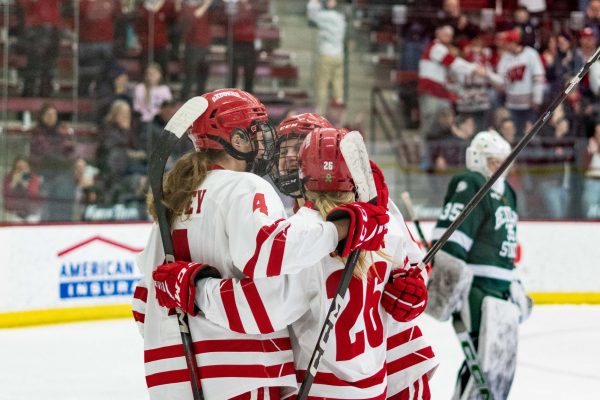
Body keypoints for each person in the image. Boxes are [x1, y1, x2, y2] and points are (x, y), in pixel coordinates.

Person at [132, 89, 389, 399]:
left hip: (169, 378)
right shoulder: (244, 186)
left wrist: (190, 296)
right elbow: (268, 293)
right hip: (241, 374)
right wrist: (341, 227)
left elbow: (143, 306)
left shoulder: (173, 201)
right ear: (237, 140)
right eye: (257, 131)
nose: (266, 140)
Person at [268, 114, 438, 398]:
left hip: (392, 362)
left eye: (296, 148)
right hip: (353, 374)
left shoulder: (376, 205)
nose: (287, 158)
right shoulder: (290, 219)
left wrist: (411, 290)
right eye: (282, 151)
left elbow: (413, 268)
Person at [426, 131, 532, 400]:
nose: (502, 168)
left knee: (497, 369)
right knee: (481, 366)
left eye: (504, 162)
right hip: (477, 288)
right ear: (477, 159)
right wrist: (447, 288)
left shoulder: (507, 191)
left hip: (501, 290)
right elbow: (449, 239)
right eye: (495, 162)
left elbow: (503, 246)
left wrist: (514, 281)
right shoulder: (472, 182)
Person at [417, 25, 485, 137]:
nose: (448, 37)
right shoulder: (436, 47)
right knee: (429, 123)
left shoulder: (440, 48)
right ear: (438, 34)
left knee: (446, 125)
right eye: (445, 34)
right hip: (430, 91)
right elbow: (452, 62)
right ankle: (424, 152)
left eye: (450, 35)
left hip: (440, 92)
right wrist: (474, 68)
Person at [495, 28, 545, 137]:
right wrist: (489, 75)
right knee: (515, 137)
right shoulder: (505, 57)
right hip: (512, 105)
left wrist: (537, 99)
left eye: (507, 43)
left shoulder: (530, 54)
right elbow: (500, 80)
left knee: (531, 136)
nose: (505, 46)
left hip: (529, 106)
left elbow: (539, 77)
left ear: (513, 43)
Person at [307, 0, 347, 115]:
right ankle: (339, 115)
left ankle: (320, 113)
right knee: (338, 86)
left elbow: (311, 14)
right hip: (339, 55)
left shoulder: (323, 16)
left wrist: (315, 2)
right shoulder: (341, 18)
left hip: (326, 54)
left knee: (322, 86)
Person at [180, 0, 213, 100]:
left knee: (203, 75)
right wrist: (207, 3)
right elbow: (195, 16)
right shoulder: (187, 6)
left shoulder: (208, 9)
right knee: (190, 75)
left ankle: (202, 99)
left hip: (205, 45)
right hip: (192, 46)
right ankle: (184, 99)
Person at [2, 157, 42, 222]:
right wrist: (13, 183)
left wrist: (25, 184)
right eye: (19, 168)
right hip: (14, 212)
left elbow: (34, 196)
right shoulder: (9, 178)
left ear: (29, 169)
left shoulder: (34, 178)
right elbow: (5, 196)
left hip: (32, 213)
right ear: (14, 169)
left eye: (25, 167)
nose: (22, 170)